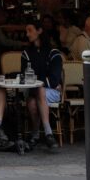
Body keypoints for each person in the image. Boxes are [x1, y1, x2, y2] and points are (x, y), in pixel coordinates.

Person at [22, 23, 63, 152]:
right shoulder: (26, 54)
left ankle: (38, 133)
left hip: (50, 93)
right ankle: (47, 134)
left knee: (35, 97)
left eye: (30, 30)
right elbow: (24, 77)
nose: (27, 34)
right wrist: (44, 80)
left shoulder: (54, 53)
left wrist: (37, 81)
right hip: (37, 91)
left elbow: (55, 79)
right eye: (26, 31)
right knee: (33, 100)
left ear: (39, 30)